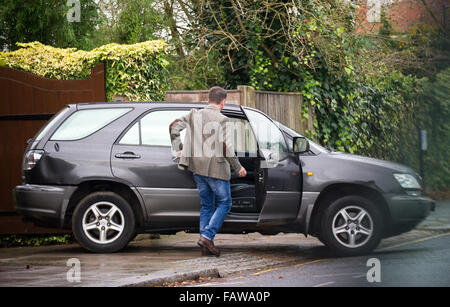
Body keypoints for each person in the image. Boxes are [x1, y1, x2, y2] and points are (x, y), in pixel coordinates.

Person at [169, 86, 247, 257]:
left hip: (197, 169)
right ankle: (207, 236)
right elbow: (225, 147)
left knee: (206, 205)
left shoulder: (193, 115)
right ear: (223, 102)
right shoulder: (223, 120)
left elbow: (173, 127)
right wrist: (238, 167)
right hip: (216, 170)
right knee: (225, 203)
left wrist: (179, 149)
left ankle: (205, 245)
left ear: (208, 99)